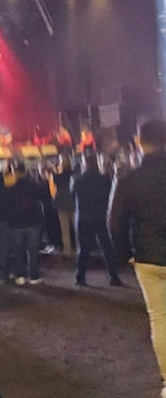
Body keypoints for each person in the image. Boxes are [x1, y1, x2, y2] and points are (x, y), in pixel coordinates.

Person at [109, 120, 166, 397]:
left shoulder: (129, 180)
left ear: (138, 142)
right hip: (150, 255)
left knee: (160, 319)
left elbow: (114, 223)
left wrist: (126, 254)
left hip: (148, 257)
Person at [73, 153, 121, 286]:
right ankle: (113, 276)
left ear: (85, 164)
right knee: (107, 248)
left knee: (83, 249)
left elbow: (73, 194)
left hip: (83, 218)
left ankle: (80, 277)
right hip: (100, 217)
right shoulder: (104, 180)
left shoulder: (78, 180)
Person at [8, 163, 45, 286]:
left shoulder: (11, 189)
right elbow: (43, 196)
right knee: (33, 251)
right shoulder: (34, 186)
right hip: (33, 222)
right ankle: (34, 276)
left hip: (16, 224)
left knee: (19, 251)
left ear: (16, 173)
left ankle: (20, 275)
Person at [50, 154, 75, 256]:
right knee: (76, 229)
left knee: (65, 229)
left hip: (61, 204)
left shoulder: (58, 177)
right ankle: (79, 248)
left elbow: (54, 183)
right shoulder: (73, 174)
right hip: (73, 203)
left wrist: (54, 169)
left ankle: (67, 251)